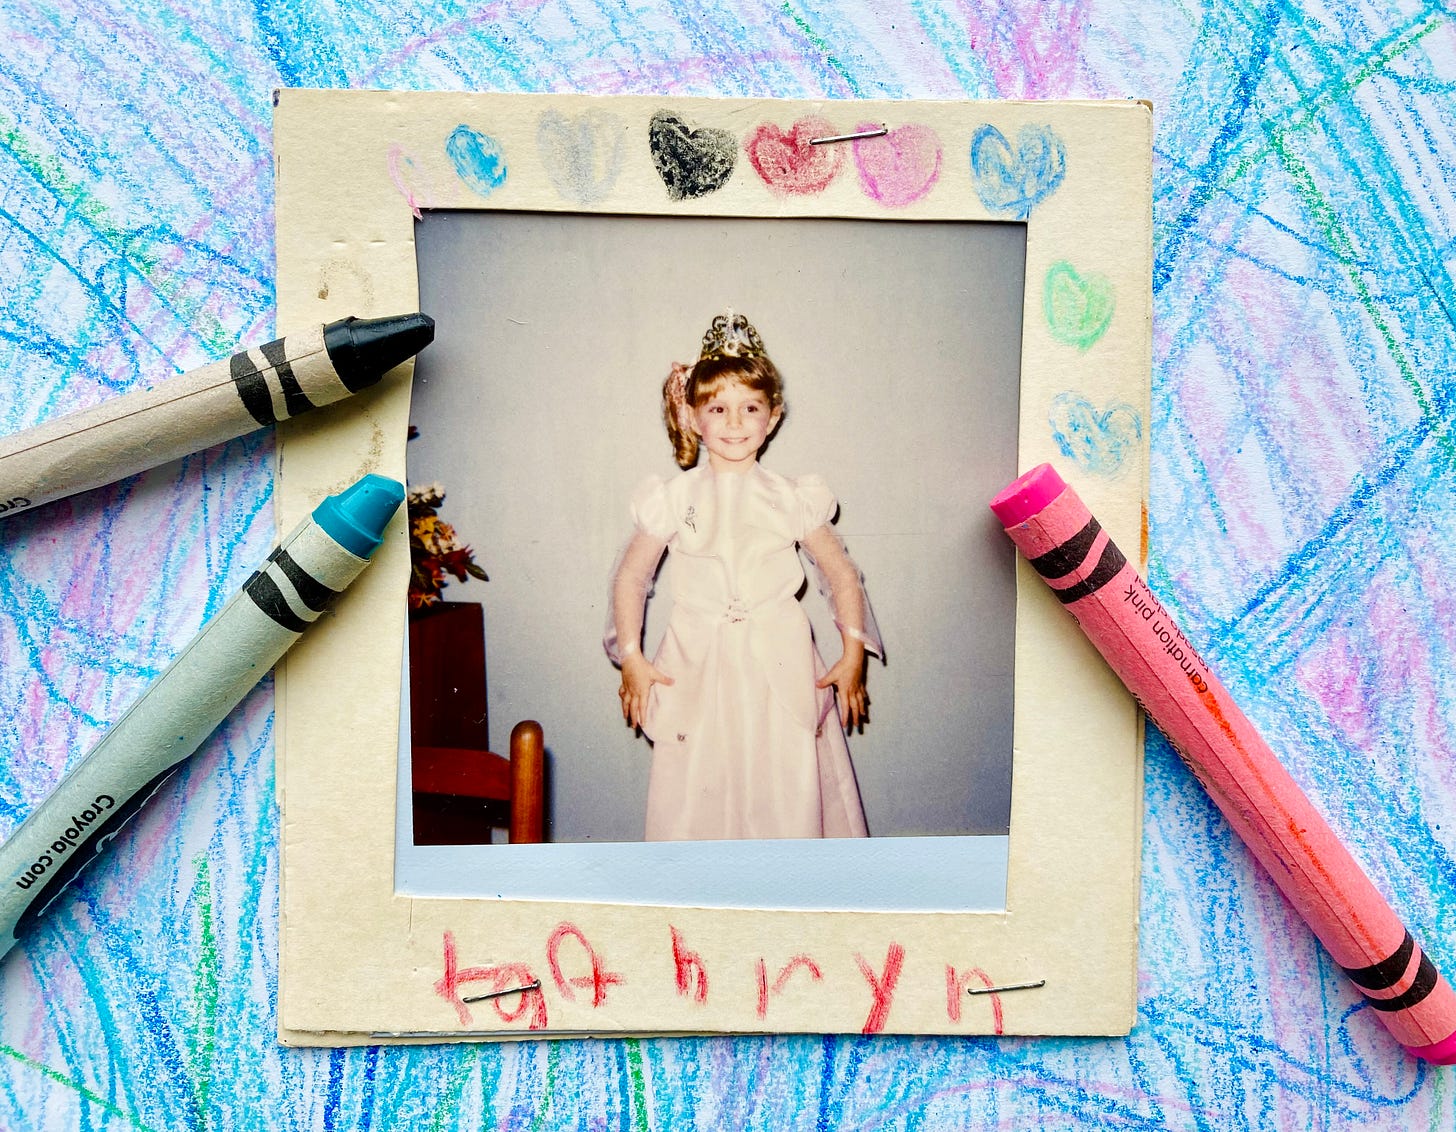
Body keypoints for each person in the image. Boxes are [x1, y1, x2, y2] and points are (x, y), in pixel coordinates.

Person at [604, 311, 881, 841]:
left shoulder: (791, 497)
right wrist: (632, 658)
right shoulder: (674, 498)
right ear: (693, 417)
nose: (735, 423)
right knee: (699, 782)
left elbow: (841, 575)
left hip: (778, 656)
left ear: (772, 418)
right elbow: (630, 578)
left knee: (782, 777)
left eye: (750, 408)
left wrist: (852, 654)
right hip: (697, 658)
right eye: (718, 409)